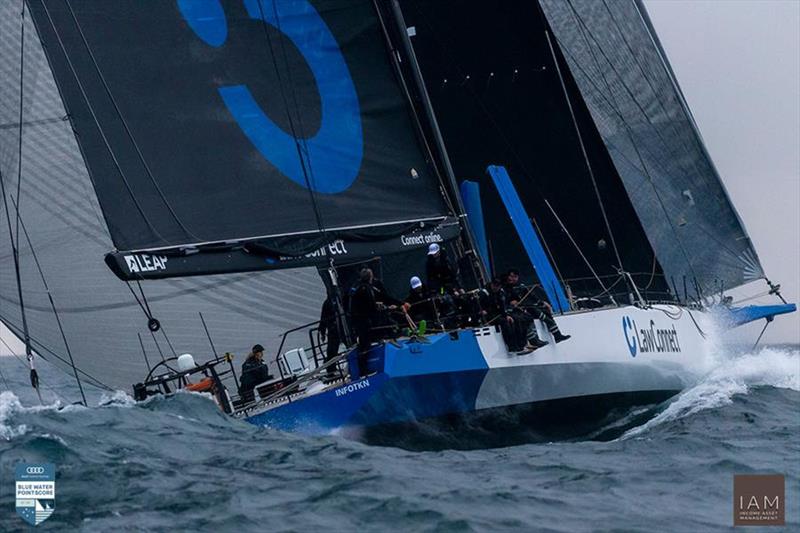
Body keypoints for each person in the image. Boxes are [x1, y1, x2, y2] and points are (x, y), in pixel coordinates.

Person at [504, 269, 570, 344]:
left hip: (526, 306)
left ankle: (557, 335)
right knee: (532, 314)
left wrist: (542, 303)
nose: (512, 278)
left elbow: (531, 296)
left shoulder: (521, 286)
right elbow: (504, 300)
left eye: (514, 277)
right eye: (511, 276)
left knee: (545, 311)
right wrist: (510, 302)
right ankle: (534, 340)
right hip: (517, 309)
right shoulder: (505, 287)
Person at [319, 294, 343, 380]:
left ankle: (332, 368)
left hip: (342, 328)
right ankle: (331, 369)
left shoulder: (339, 299)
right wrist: (322, 331)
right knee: (331, 350)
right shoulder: (328, 303)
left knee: (333, 350)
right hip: (334, 329)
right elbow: (323, 317)